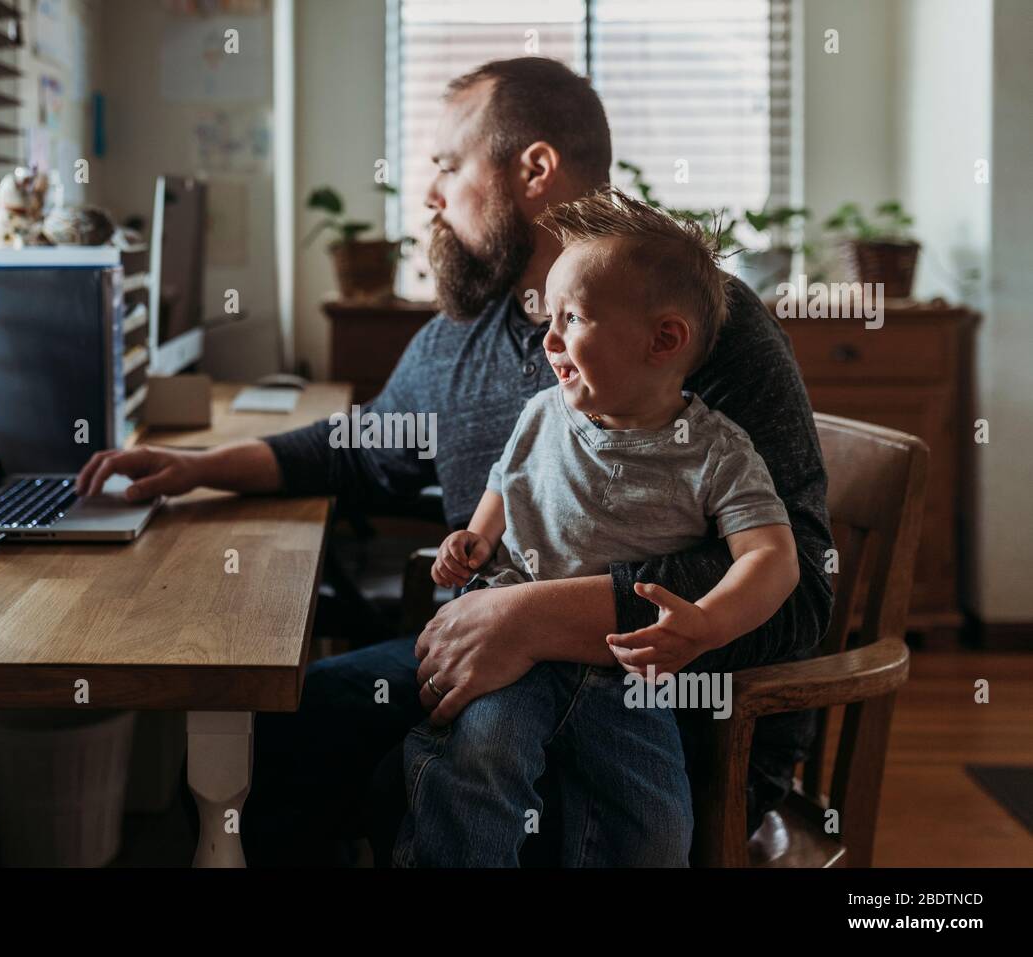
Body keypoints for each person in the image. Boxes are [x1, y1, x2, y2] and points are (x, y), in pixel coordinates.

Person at [75, 57, 833, 866]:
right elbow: (366, 449)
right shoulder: (469, 331)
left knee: (436, 792)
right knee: (294, 725)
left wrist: (533, 615)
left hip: (673, 713)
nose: (429, 195)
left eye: (446, 165)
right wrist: (202, 467)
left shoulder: (690, 329)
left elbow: (801, 596)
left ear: (534, 169)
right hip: (497, 650)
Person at [394, 188, 800, 867]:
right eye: (548, 318)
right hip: (504, 643)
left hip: (623, 670)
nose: (548, 339)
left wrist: (707, 623)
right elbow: (507, 479)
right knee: (479, 762)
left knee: (658, 826)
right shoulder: (542, 412)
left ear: (663, 339)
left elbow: (774, 557)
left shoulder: (717, 452)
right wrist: (476, 537)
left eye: (572, 318)